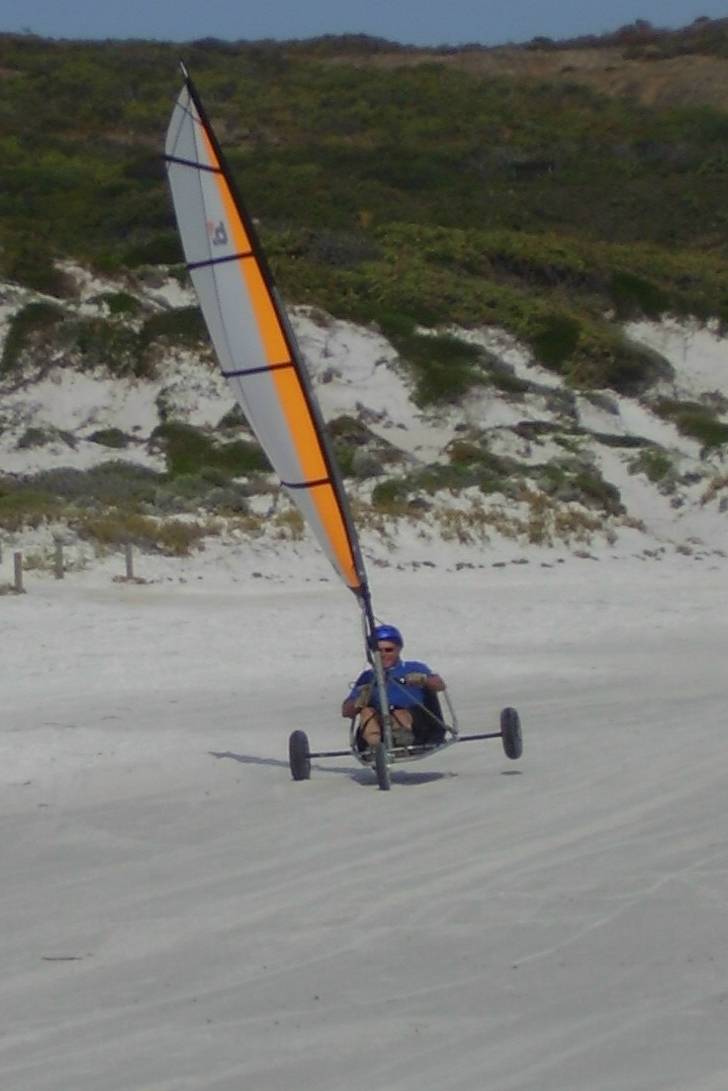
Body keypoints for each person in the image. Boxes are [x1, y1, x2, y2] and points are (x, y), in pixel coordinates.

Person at [341, 624, 446, 750]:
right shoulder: (368, 677)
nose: (383, 655)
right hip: (380, 725)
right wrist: (360, 700)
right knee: (367, 712)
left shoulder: (413, 667)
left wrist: (423, 679)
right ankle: (375, 747)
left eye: (389, 650)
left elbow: (439, 685)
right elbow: (346, 711)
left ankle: (401, 738)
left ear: (398, 649)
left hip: (417, 724)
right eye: (378, 651)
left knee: (398, 712)